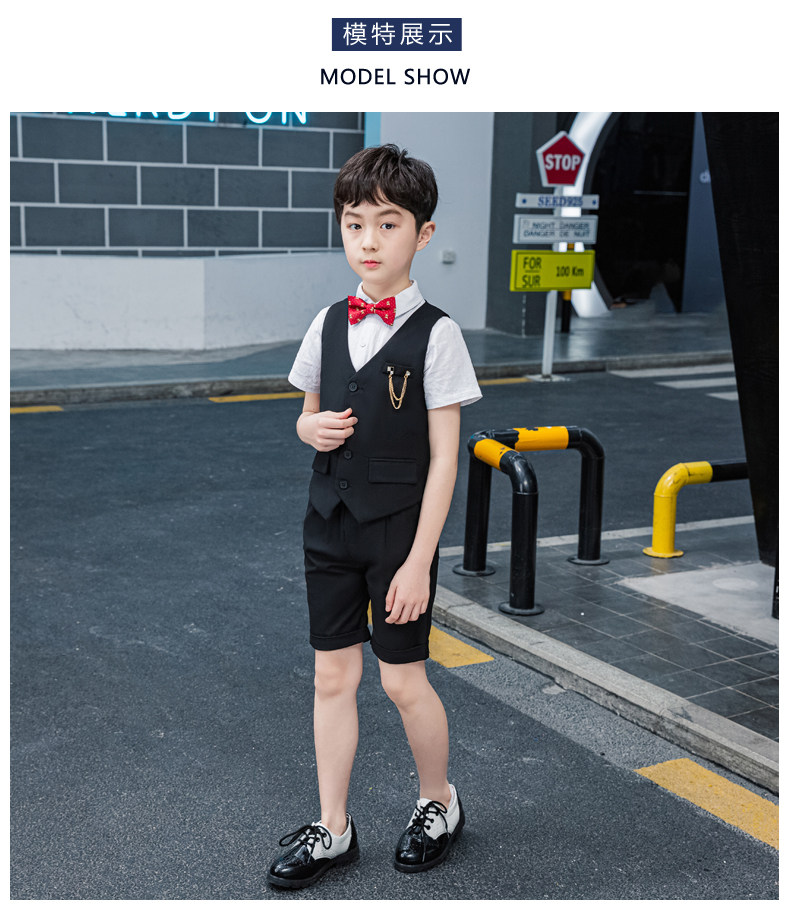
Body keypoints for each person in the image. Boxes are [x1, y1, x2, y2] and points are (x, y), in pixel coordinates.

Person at [268, 144, 481, 890]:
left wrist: (420, 561)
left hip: (398, 533)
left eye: (388, 224)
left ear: (422, 234)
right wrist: (310, 428)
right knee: (332, 677)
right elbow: (306, 414)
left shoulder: (438, 334)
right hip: (327, 521)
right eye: (354, 223)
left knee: (401, 680)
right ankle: (334, 827)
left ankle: (439, 802)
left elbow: (446, 459)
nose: (368, 240)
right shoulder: (328, 321)